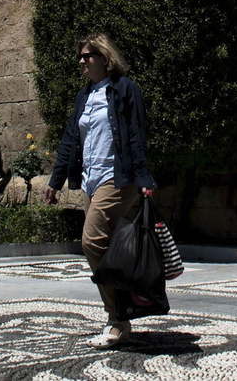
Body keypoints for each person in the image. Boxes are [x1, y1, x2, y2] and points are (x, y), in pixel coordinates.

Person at [44, 33, 157, 349]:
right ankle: (123, 310)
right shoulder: (84, 96)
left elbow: (136, 135)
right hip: (91, 182)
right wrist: (55, 181)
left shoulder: (124, 89)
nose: (81, 61)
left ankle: (117, 316)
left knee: (91, 241)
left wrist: (144, 178)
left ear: (104, 59)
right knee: (105, 248)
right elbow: (70, 140)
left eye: (87, 56)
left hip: (118, 179)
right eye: (80, 56)